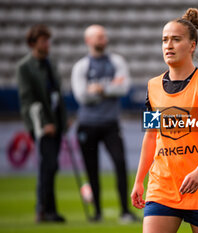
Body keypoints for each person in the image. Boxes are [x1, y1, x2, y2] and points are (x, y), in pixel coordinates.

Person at [131, 8, 198, 233]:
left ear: (192, 45)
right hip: (162, 186)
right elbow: (151, 136)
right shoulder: (153, 87)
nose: (168, 45)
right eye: (164, 40)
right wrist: (139, 180)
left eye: (176, 39)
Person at [71, 24, 137, 223]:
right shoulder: (81, 66)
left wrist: (100, 89)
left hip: (111, 124)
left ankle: (125, 210)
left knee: (120, 164)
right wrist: (110, 88)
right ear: (88, 40)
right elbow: (81, 96)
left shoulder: (117, 61)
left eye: (104, 35)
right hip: (87, 124)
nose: (103, 39)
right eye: (98, 36)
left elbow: (124, 88)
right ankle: (97, 212)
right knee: (91, 168)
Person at [16, 24, 68, 223]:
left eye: (48, 40)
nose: (47, 44)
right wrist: (44, 124)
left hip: (55, 123)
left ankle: (50, 210)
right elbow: (28, 100)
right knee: (47, 166)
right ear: (32, 43)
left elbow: (57, 95)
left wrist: (62, 120)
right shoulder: (25, 67)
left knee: (52, 167)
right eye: (43, 41)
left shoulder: (50, 63)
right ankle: (42, 210)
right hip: (41, 125)